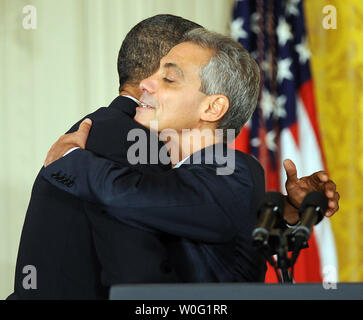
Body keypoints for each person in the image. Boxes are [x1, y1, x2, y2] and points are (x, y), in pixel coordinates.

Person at [42, 28, 340, 284]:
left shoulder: (235, 170)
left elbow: (130, 195)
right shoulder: (190, 180)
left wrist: (70, 159)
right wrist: (288, 211)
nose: (145, 84)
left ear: (212, 108)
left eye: (169, 79)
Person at [8, 14, 203, 300]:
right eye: (202, 72)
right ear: (163, 74)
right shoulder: (136, 143)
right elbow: (142, 279)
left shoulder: (102, 130)